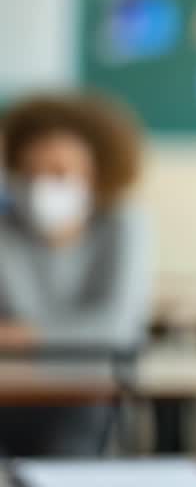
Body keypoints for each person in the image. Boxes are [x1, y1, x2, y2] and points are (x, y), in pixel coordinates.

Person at [0, 93, 149, 455]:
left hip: (90, 389)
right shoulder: (7, 230)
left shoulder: (123, 224)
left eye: (59, 173)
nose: (42, 186)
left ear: (94, 176)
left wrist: (27, 336)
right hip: (12, 390)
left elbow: (117, 327)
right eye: (31, 173)